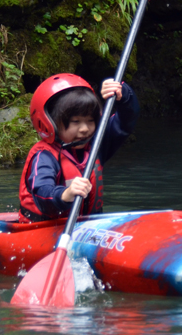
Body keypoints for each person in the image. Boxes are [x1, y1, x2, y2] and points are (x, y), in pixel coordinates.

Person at [18, 73, 139, 223]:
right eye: (75, 121)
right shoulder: (44, 156)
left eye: (90, 120)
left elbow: (126, 122)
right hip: (43, 229)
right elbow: (42, 192)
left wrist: (124, 94)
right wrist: (65, 194)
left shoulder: (96, 146)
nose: (84, 129)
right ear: (51, 123)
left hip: (87, 226)